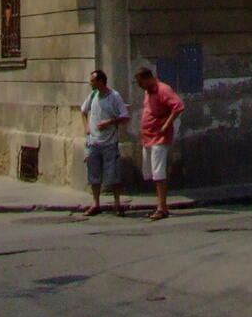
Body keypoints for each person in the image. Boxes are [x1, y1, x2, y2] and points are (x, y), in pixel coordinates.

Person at [131, 66, 183, 220]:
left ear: (147, 78)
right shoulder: (148, 92)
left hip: (159, 137)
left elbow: (178, 106)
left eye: (141, 83)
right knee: (151, 173)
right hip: (148, 136)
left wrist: (166, 125)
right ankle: (159, 204)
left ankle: (162, 207)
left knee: (159, 173)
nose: (140, 87)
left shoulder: (163, 89)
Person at [76, 68, 128, 216]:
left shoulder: (114, 97)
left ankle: (117, 204)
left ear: (101, 81)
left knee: (113, 175)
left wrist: (109, 122)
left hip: (110, 142)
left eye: (93, 80)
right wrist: (86, 127)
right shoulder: (93, 95)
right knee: (94, 174)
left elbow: (125, 116)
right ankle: (95, 203)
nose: (90, 83)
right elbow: (83, 111)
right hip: (94, 142)